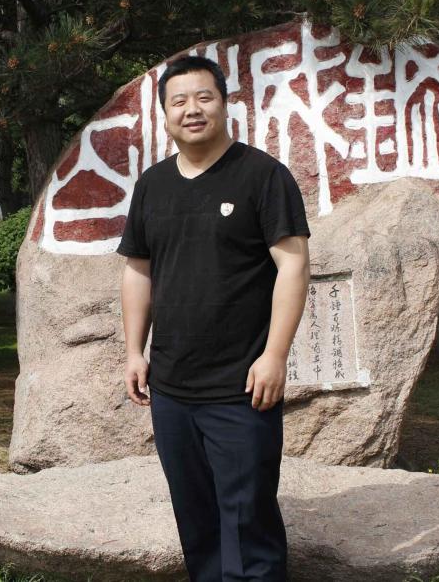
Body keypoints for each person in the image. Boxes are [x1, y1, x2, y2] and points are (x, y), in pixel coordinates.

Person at [117, 55, 310, 581]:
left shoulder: (262, 176)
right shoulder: (153, 185)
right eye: (178, 101)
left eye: (204, 97)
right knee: (196, 522)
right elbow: (138, 270)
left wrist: (275, 356)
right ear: (164, 115)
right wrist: (134, 351)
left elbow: (294, 267)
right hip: (172, 388)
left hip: (242, 387)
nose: (192, 109)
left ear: (225, 104)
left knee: (249, 524)